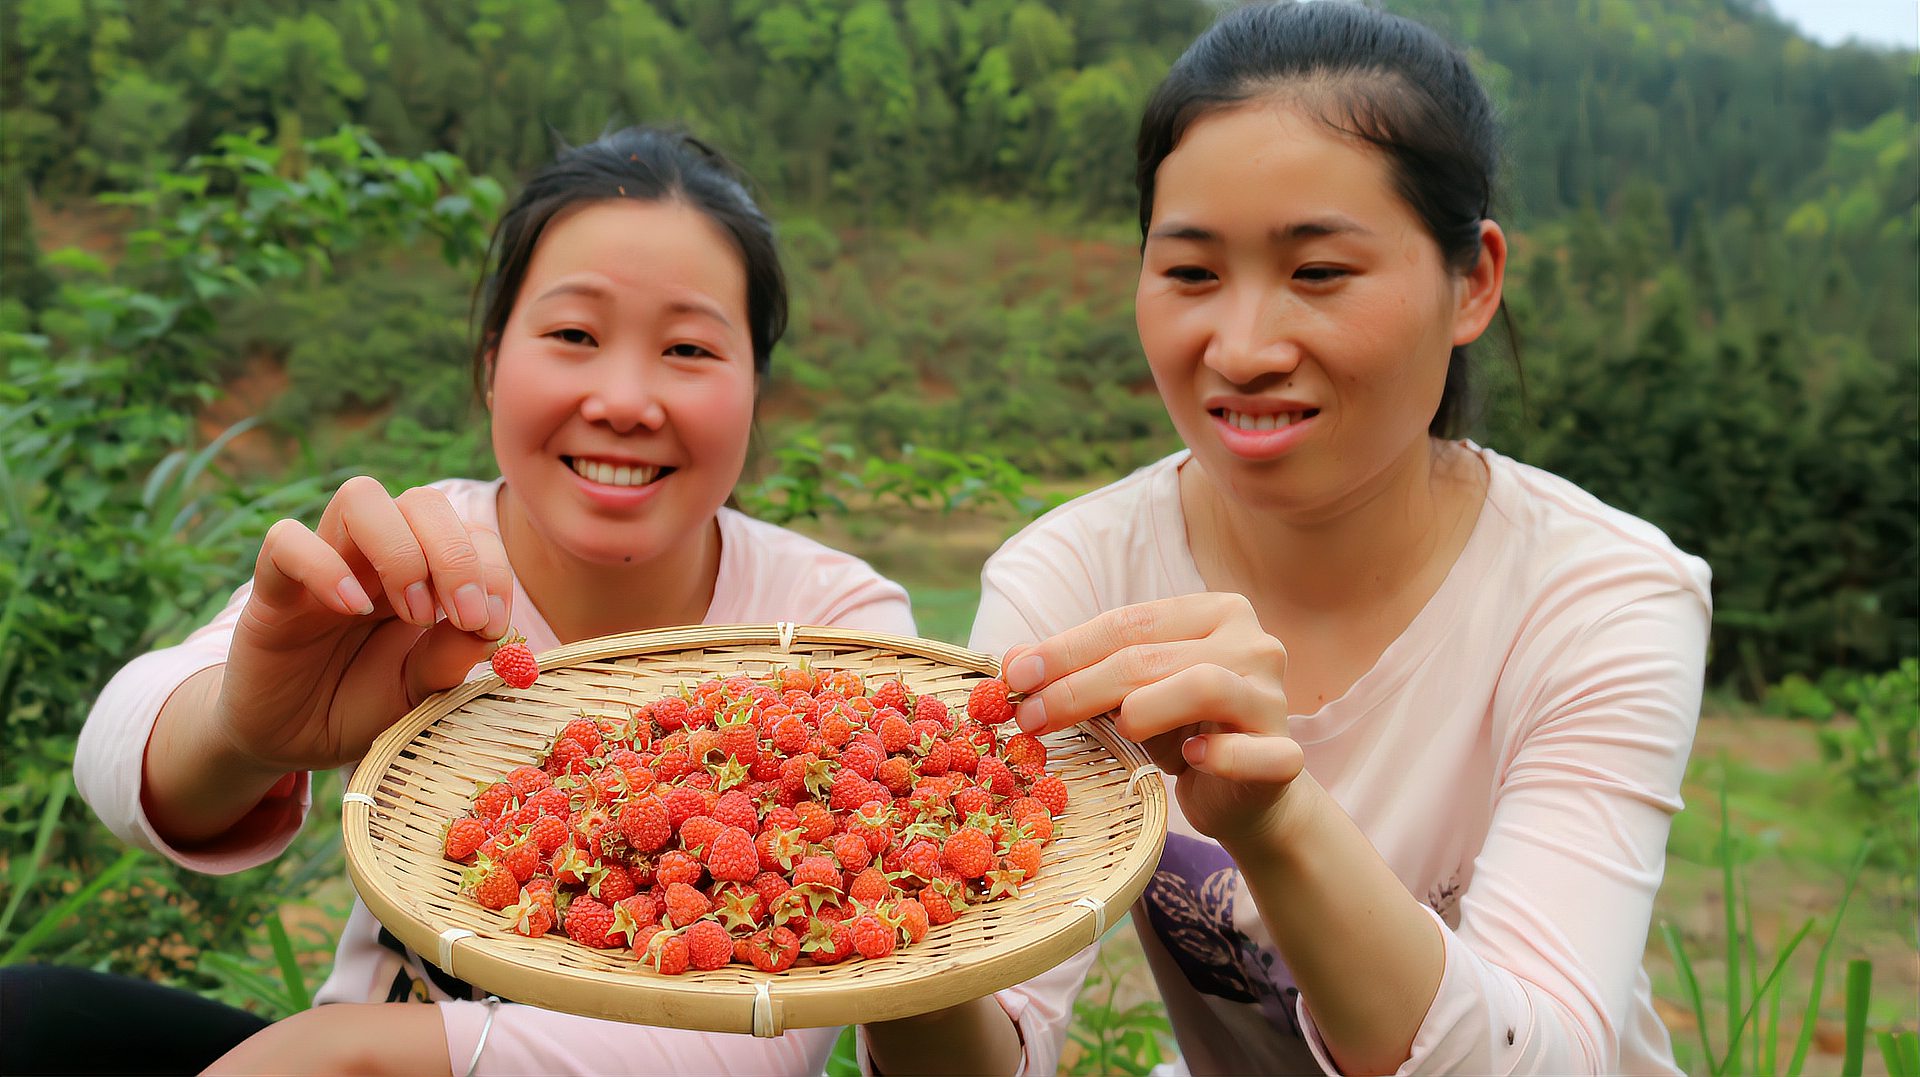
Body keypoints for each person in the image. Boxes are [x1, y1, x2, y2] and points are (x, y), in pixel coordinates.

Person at [14, 126, 1067, 1077]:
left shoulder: (828, 624)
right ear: (488, 364)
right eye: (572, 335)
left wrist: (362, 1052)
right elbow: (121, 755)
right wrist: (244, 725)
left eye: (691, 349)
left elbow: (761, 1035)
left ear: (755, 389)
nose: (621, 398)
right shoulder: (418, 562)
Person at [969, 3, 1711, 1074]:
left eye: (1319, 273)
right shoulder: (1074, 581)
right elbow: (994, 1035)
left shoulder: (1599, 595)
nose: (1245, 346)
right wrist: (902, 942)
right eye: (1189, 273)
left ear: (1474, 283)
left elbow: (1545, 1056)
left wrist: (1277, 824)